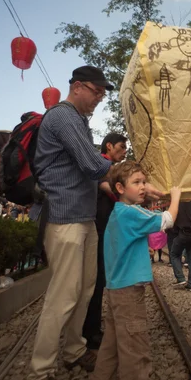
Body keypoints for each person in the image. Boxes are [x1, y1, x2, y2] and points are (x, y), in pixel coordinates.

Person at [25, 66, 163, 380]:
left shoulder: (79, 122)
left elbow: (93, 174)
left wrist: (132, 192)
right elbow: (91, 165)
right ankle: (38, 374)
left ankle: (74, 350)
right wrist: (140, 181)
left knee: (86, 289)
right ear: (77, 87)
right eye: (97, 91)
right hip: (64, 218)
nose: (101, 97)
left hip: (83, 218)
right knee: (63, 296)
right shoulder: (63, 116)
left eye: (103, 92)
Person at [86, 161, 181, 380]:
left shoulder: (121, 211)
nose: (143, 187)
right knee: (135, 351)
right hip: (129, 294)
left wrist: (147, 189)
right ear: (119, 187)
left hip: (117, 290)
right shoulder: (131, 214)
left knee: (111, 348)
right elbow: (167, 219)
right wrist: (176, 196)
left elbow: (148, 198)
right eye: (137, 183)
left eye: (143, 181)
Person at [83, 132, 127, 350]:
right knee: (97, 279)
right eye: (121, 147)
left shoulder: (107, 166)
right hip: (100, 228)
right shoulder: (103, 165)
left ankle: (91, 328)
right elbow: (108, 189)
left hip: (103, 228)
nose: (124, 151)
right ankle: (90, 332)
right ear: (109, 146)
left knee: (99, 278)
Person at [170, 201, 191, 291]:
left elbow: (173, 218)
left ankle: (180, 278)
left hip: (183, 233)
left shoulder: (178, 202)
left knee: (174, 254)